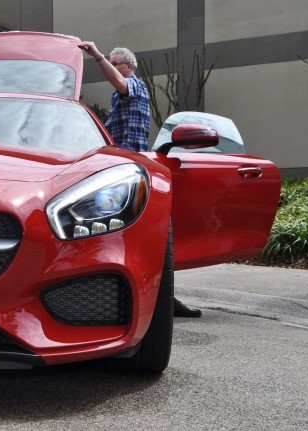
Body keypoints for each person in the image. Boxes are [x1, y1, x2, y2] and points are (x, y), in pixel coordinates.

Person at [79, 41, 201, 318]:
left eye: (115, 62)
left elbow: (121, 83)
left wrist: (97, 57)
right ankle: (142, 295)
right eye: (109, 61)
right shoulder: (119, 100)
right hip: (118, 168)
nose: (110, 66)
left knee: (137, 234)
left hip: (130, 170)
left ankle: (159, 298)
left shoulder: (135, 85)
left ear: (129, 66)